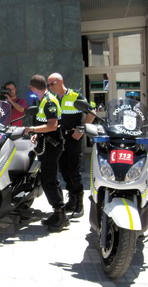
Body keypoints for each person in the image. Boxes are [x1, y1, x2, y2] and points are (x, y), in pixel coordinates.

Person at [24, 74, 69, 232]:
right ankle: (58, 213)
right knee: (49, 179)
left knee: (48, 180)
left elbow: (52, 125)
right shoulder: (44, 99)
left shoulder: (49, 101)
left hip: (52, 146)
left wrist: (33, 129)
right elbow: (44, 123)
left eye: (31, 88)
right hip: (47, 144)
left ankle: (60, 214)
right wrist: (38, 133)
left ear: (34, 88)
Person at [47, 72, 95, 218]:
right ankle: (72, 201)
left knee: (73, 170)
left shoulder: (75, 96)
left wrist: (81, 129)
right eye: (48, 84)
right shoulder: (52, 98)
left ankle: (79, 205)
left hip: (72, 138)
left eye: (51, 84)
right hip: (58, 139)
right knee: (63, 170)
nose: (49, 87)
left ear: (60, 82)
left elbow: (91, 113)